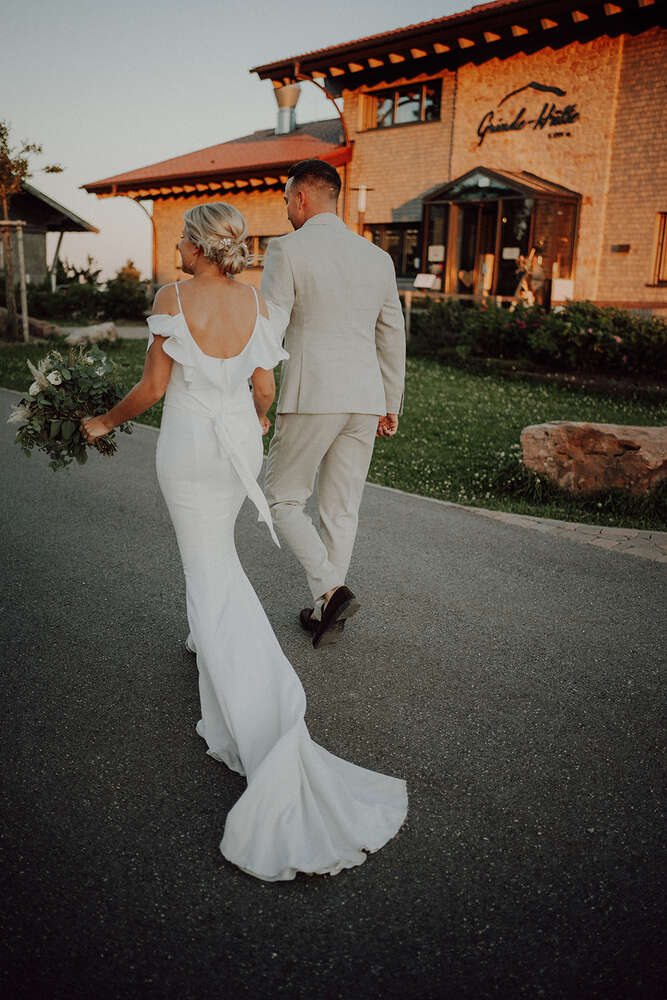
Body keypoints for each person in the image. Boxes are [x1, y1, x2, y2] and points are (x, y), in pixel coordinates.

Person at [81, 203, 407, 882]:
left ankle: (255, 699)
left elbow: (152, 387)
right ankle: (207, 639)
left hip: (188, 447)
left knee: (206, 567)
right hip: (232, 448)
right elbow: (264, 384)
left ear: (201, 247)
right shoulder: (255, 303)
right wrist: (255, 420)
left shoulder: (171, 299)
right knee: (215, 553)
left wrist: (102, 422)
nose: (175, 247)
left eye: (181, 239)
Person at [261, 159, 406, 649]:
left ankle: (331, 588)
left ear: (302, 197)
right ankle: (328, 611)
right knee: (341, 509)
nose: (286, 212)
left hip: (311, 393)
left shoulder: (286, 249)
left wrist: (251, 390)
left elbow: (270, 328)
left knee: (282, 497)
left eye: (286, 202)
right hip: (365, 398)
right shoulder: (377, 257)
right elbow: (392, 336)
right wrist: (391, 400)